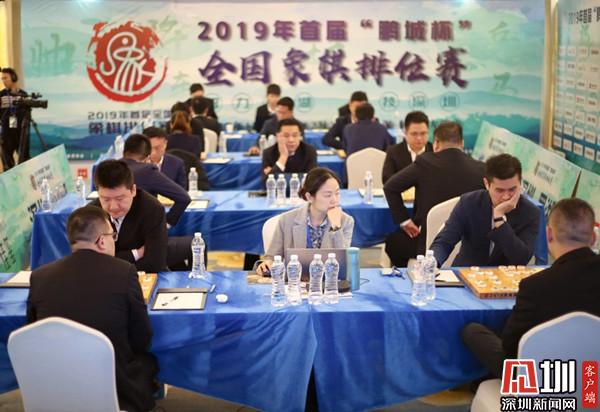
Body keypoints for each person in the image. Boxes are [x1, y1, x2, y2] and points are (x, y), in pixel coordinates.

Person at [27, 205, 158, 412]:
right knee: (147, 362)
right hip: (115, 385)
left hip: (55, 383)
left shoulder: (40, 276)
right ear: (101, 241)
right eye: (112, 235)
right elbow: (142, 337)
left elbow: (33, 331)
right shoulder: (124, 272)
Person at [461, 198, 600, 378]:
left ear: (548, 234)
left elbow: (511, 347)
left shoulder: (535, 286)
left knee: (473, 331)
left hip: (541, 378)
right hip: (592, 375)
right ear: (593, 238)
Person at [383, 121, 485, 266]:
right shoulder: (482, 169)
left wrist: (404, 220)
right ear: (462, 143)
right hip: (469, 245)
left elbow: (390, 187)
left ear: (436, 143)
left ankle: (409, 276)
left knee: (393, 243)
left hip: (427, 244)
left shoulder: (425, 163)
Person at [430, 154, 540, 267]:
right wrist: (433, 262)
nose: (506, 197)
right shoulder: (469, 203)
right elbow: (444, 241)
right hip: (466, 272)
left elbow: (521, 259)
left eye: (512, 189)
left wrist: (500, 221)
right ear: (487, 184)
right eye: (500, 191)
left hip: (505, 275)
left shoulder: (530, 212)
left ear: (520, 183)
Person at [257, 167, 354, 275]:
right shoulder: (286, 220)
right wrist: (267, 264)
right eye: (328, 195)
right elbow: (271, 257)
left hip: (330, 282)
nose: (334, 200)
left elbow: (344, 264)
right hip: (294, 281)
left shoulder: (346, 221)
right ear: (309, 197)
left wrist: (336, 227)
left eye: (337, 193)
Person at [92, 159, 167, 272]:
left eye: (120, 199)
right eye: (106, 199)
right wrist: (136, 253)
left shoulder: (152, 210)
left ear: (133, 190)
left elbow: (154, 263)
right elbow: (92, 261)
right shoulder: (92, 214)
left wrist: (111, 261)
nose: (113, 207)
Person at [122, 134, 191, 228]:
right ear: (147, 158)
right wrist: (166, 223)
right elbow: (184, 198)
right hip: (144, 232)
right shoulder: (147, 171)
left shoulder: (108, 168)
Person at [382, 111, 433, 184]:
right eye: (414, 134)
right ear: (405, 133)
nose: (419, 138)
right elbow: (387, 179)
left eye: (423, 133)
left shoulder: (434, 151)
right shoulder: (393, 152)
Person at [0, 67, 27, 170]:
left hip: (21, 132)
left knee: (25, 160)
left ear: (13, 77)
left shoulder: (23, 94)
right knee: (7, 163)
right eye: (2, 78)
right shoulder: (1, 95)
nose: (3, 81)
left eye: (5, 78)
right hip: (6, 132)